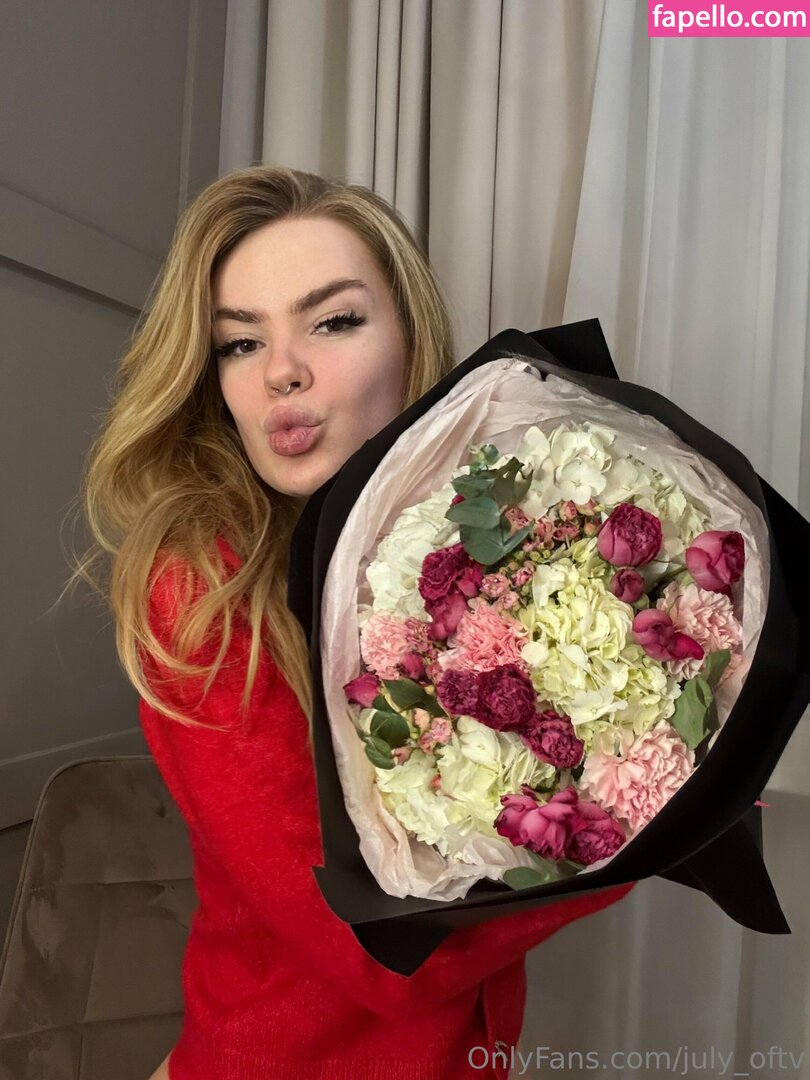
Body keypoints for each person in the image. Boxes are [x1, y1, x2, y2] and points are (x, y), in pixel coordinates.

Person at [75, 164, 636, 1080]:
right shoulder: (201, 590)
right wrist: (652, 818)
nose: (282, 370)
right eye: (240, 343)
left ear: (411, 342)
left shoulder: (477, 544)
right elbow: (379, 953)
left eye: (333, 321)